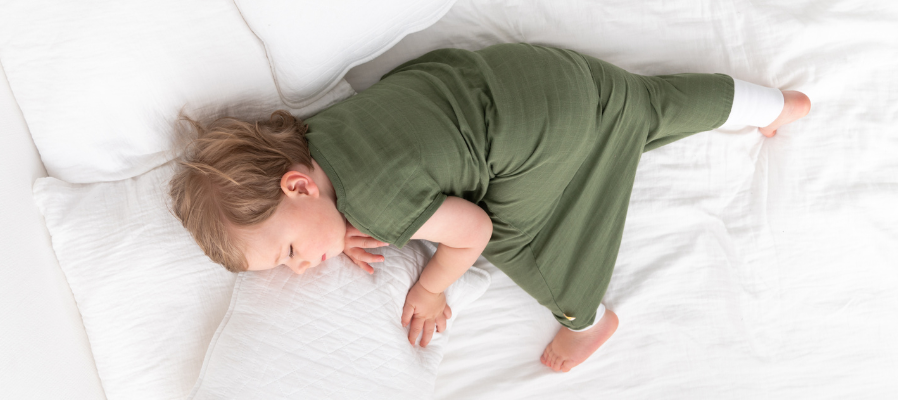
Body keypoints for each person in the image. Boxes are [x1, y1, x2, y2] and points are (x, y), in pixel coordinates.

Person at [168, 43, 810, 373]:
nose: (301, 268)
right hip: (546, 76)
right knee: (641, 103)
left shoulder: (379, 207)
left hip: (548, 139)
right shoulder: (326, 131)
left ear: (299, 188)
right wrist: (338, 231)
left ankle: (587, 321)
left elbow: (471, 229)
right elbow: (397, 163)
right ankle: (777, 107)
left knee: (518, 241)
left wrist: (430, 288)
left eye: (287, 251)